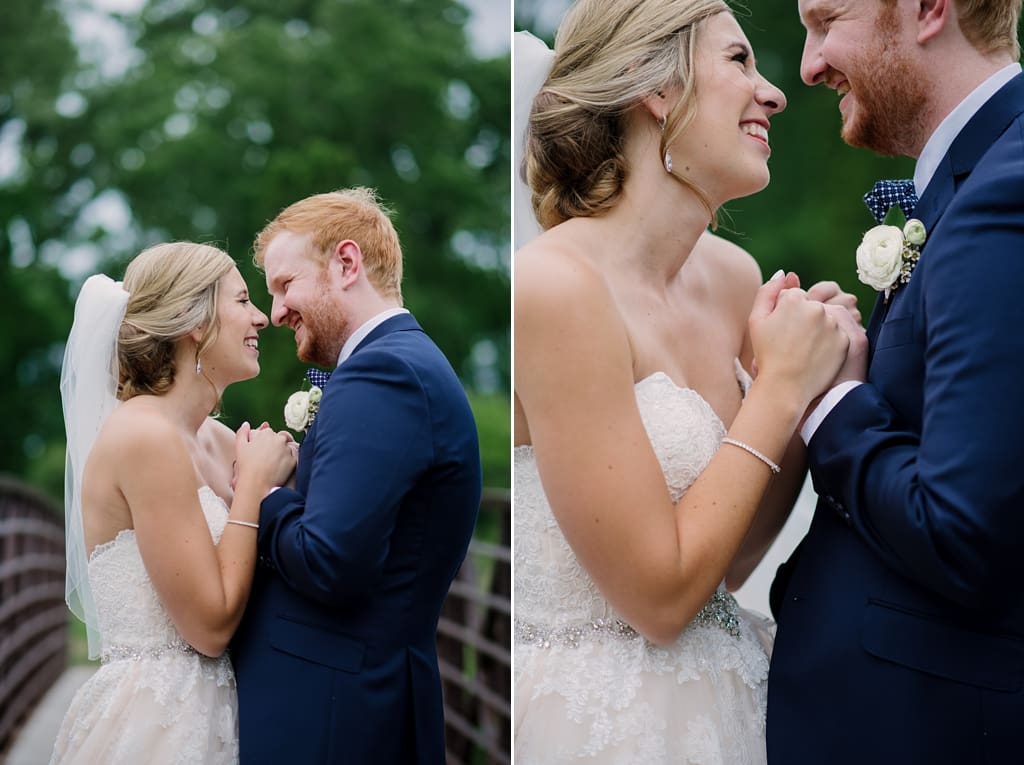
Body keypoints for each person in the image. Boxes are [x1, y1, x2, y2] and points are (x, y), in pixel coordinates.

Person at [513, 1, 865, 762]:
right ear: (655, 87)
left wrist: (816, 388)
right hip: (605, 728)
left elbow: (727, 562)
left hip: (733, 707)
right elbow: (661, 599)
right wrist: (779, 390)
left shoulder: (733, 277)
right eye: (739, 60)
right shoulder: (554, 287)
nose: (775, 93)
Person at [767, 1, 1024, 762]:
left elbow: (961, 533)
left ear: (928, 9)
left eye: (827, 20)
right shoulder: (980, 176)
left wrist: (832, 401)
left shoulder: (1003, 194)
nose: (808, 65)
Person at [229, 188, 482, 764]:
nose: (276, 313)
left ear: (346, 264)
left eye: (285, 285)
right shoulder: (398, 364)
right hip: (346, 703)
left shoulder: (383, 373)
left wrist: (262, 490)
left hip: (334, 718)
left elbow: (330, 563)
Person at [51, 242, 297, 764]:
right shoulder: (143, 436)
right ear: (194, 322)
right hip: (159, 724)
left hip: (225, 712)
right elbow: (210, 628)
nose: (260, 317)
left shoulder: (215, 439)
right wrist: (253, 485)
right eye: (242, 300)